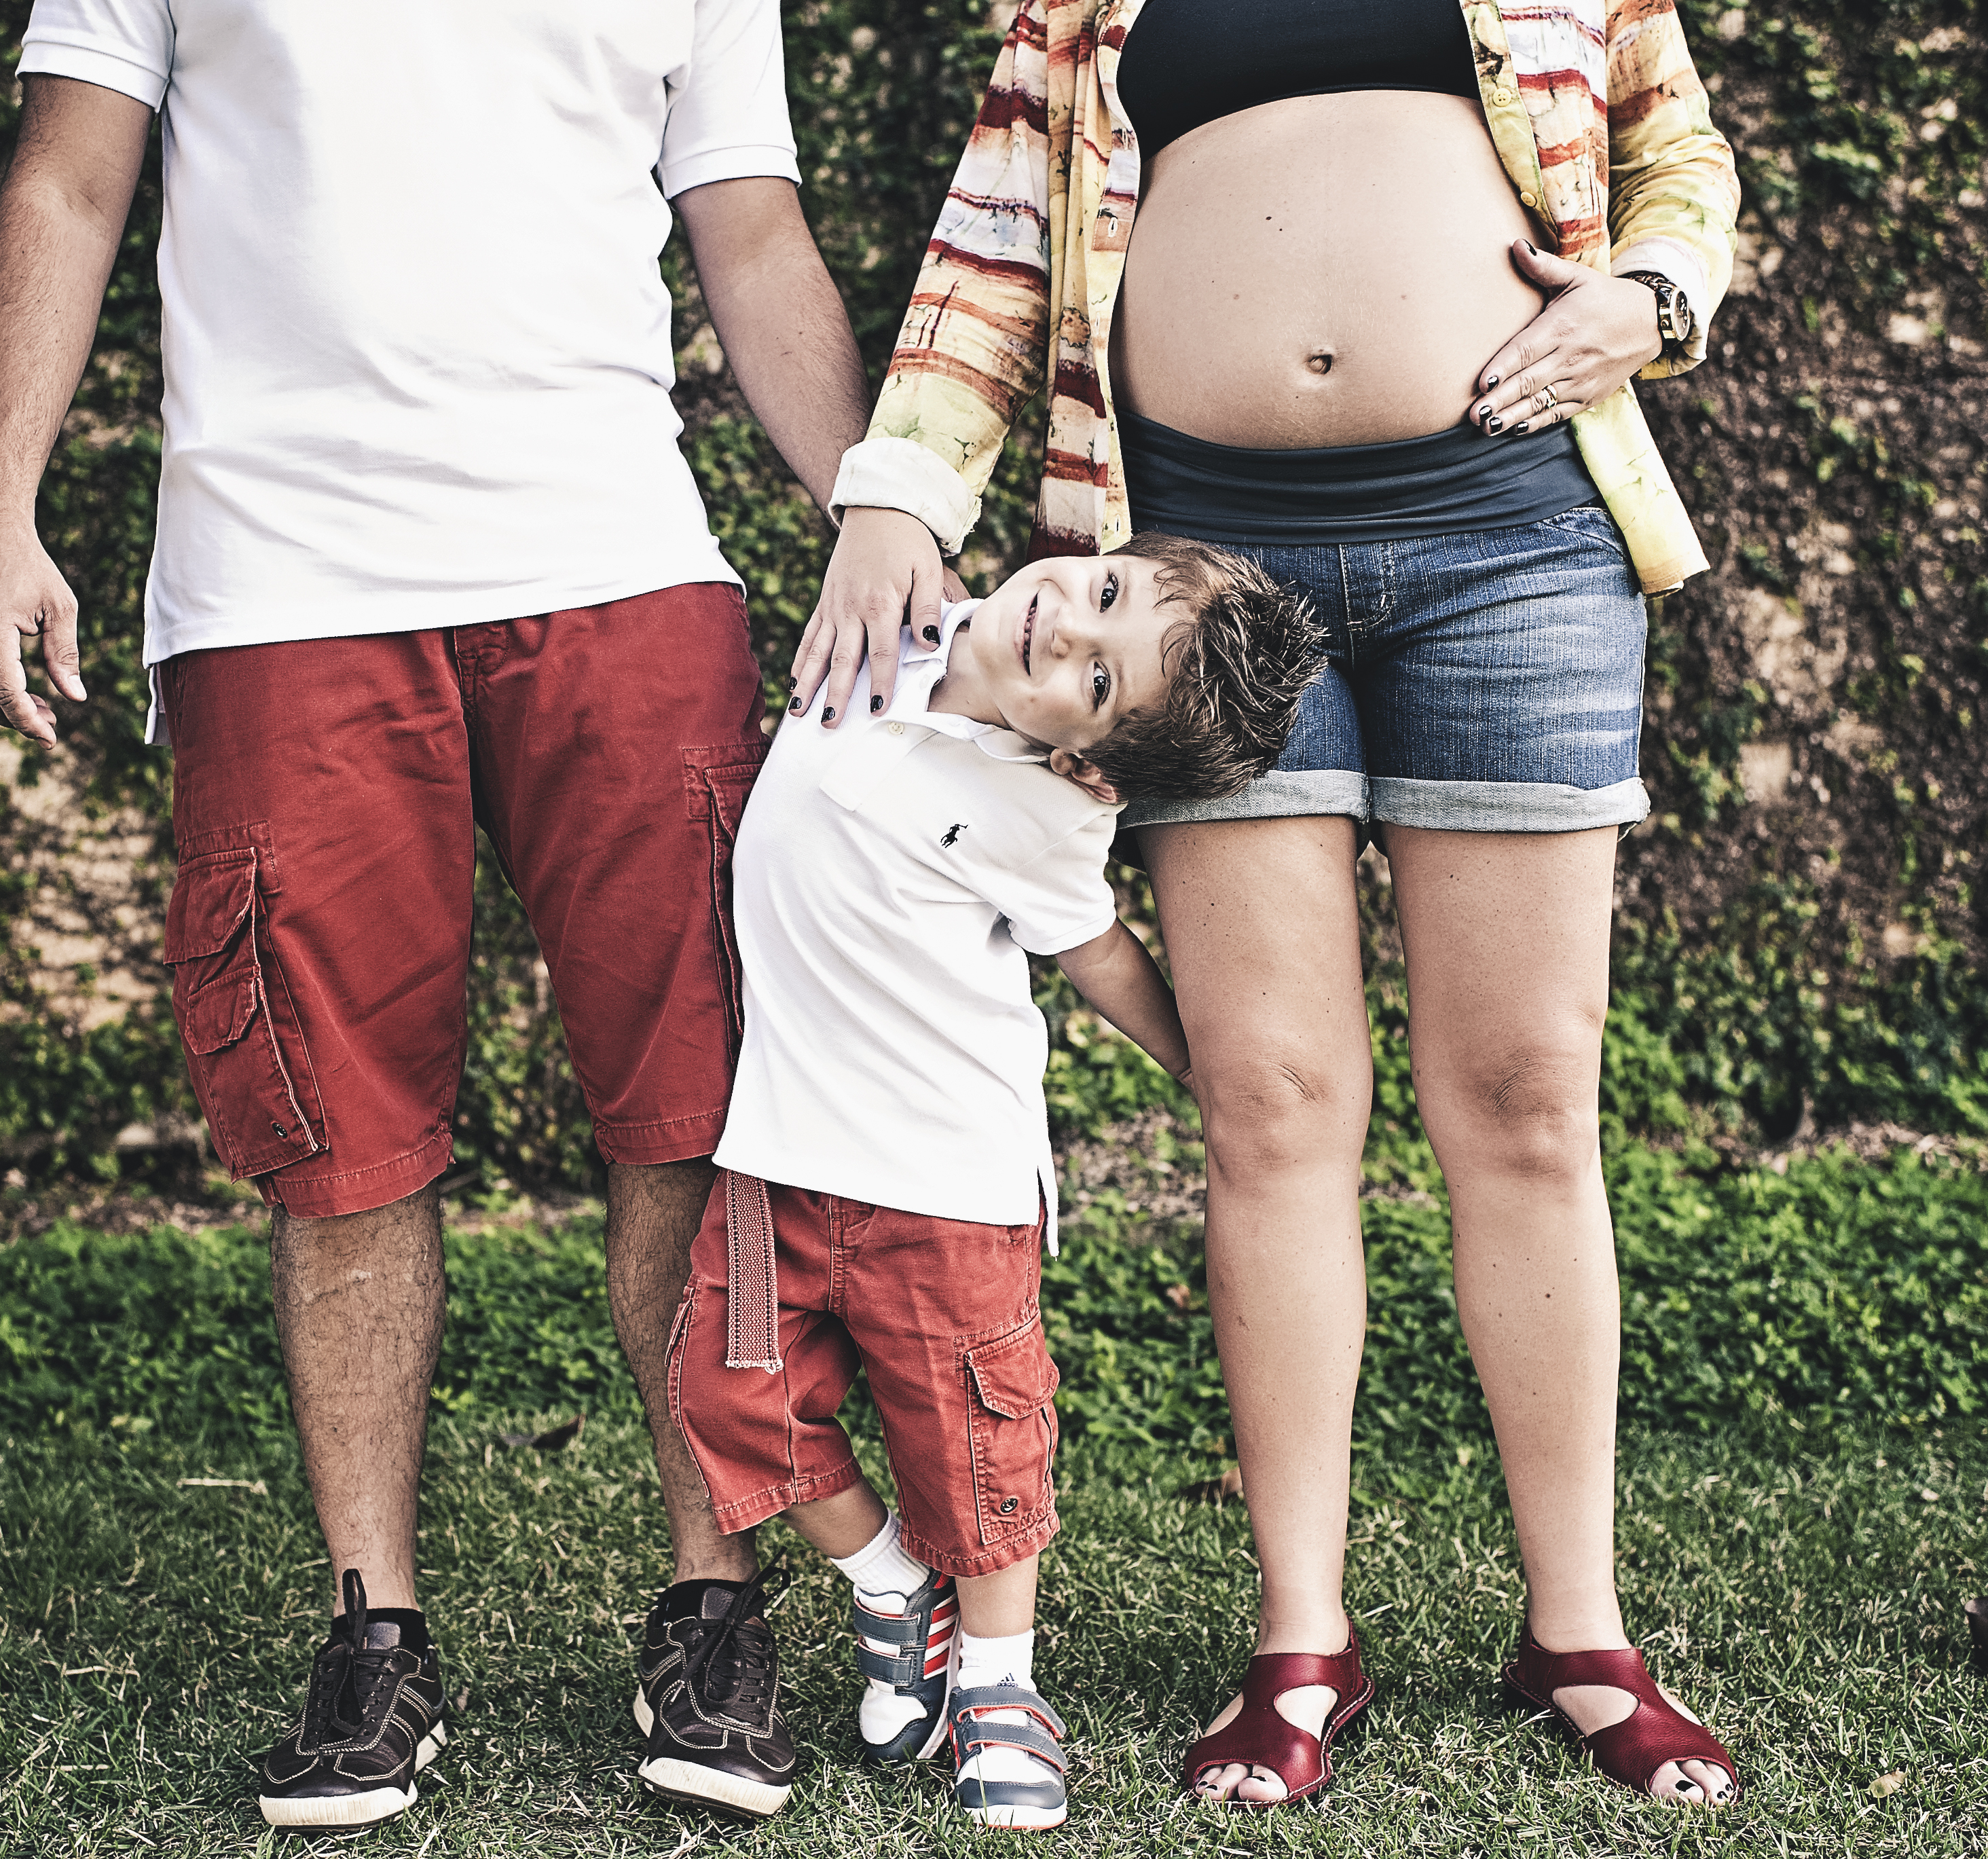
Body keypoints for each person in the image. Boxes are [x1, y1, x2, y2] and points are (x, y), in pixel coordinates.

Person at [0, 0, 889, 1830]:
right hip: (283, 580)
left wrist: (877, 504)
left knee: (698, 1108)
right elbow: (65, 178)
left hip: (618, 560)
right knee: (339, 1136)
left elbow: (753, 228)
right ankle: (374, 1634)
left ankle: (714, 1607)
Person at [796, 0, 1745, 1812]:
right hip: (1190, 584)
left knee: (1528, 1098)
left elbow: (1671, 143)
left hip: (1514, 535)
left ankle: (1582, 1634)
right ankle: (1301, 1640)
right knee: (1271, 1100)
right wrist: (897, 492)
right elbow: (994, 242)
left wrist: (1657, 293)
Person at [657, 535, 1321, 1826]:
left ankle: (1001, 1684)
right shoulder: (883, 617)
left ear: (1087, 759)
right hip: (775, 1151)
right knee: (726, 1397)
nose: (1065, 628)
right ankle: (893, 1586)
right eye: (1103, 590)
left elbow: (1098, 954)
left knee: (972, 1444)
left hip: (945, 1180)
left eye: (1097, 679)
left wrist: (1203, 1067)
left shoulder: (1047, 809)